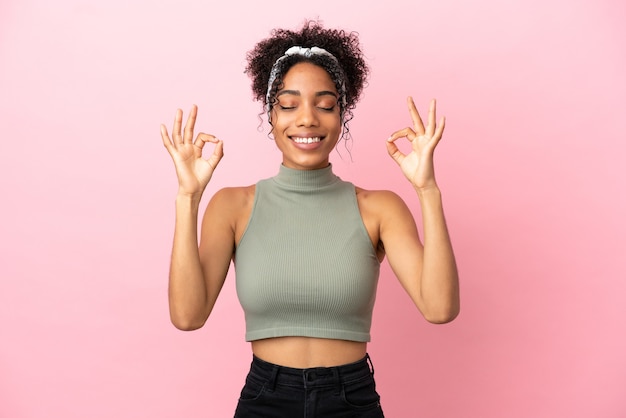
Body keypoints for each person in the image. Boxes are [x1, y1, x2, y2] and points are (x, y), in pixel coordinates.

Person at [160, 20, 459, 417]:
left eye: (325, 104)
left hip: (351, 399)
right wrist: (188, 197)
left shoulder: (379, 208)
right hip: (265, 398)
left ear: (342, 114)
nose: (306, 119)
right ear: (270, 114)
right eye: (288, 104)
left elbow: (439, 309)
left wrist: (427, 190)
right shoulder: (233, 206)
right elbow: (187, 316)